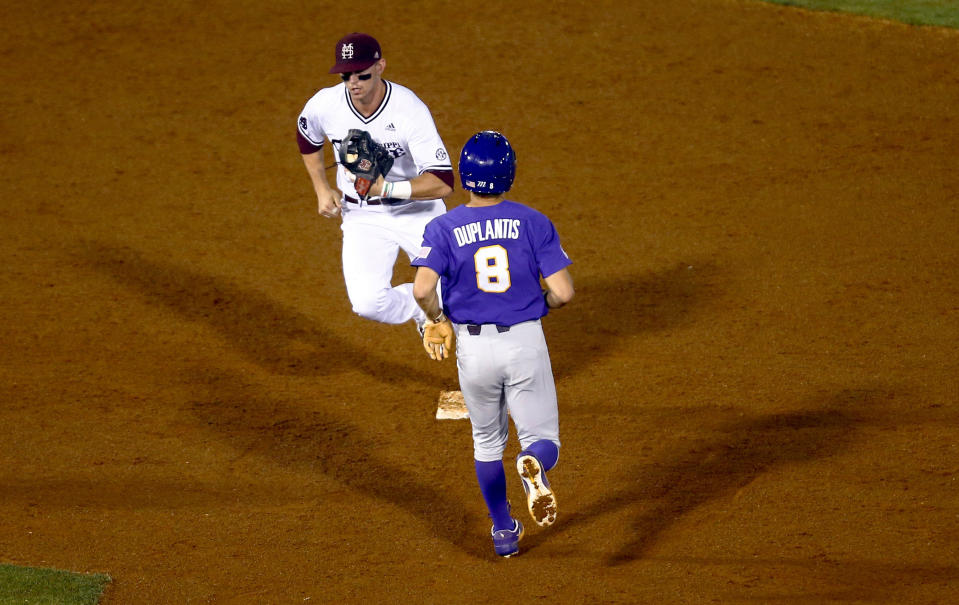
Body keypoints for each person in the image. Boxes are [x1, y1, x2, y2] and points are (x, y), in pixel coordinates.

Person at [411, 131, 574, 558]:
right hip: (524, 341)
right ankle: (534, 462)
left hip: (474, 348)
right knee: (543, 439)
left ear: (464, 177)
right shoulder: (533, 221)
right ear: (510, 175)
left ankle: (503, 532)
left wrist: (436, 320)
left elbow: (422, 288)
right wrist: (544, 303)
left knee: (486, 441)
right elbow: (564, 291)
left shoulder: (442, 227)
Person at [296, 33, 454, 331]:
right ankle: (421, 305)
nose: (353, 82)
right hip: (363, 214)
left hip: (416, 211)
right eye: (346, 75)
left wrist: (389, 188)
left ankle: (439, 305)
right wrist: (321, 187)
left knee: (457, 295)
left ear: (381, 66)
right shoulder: (326, 104)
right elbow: (306, 136)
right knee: (368, 304)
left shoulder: (409, 110)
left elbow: (443, 181)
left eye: (362, 74)